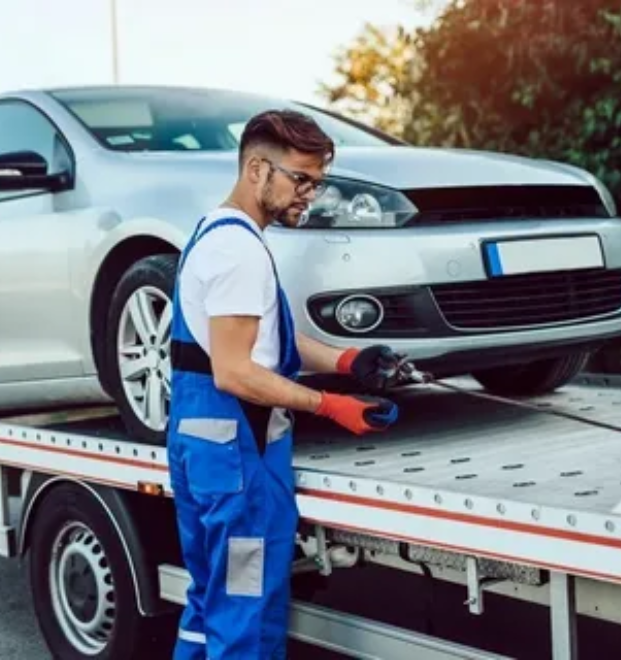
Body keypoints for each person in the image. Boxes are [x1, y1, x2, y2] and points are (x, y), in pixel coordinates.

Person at [166, 108, 404, 660]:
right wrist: (329, 405)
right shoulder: (239, 250)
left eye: (316, 184)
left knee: (210, 601)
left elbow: (261, 338)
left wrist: (347, 360)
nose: (309, 196)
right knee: (245, 612)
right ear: (256, 169)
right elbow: (236, 371)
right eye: (301, 180)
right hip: (239, 459)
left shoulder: (213, 232)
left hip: (206, 448)